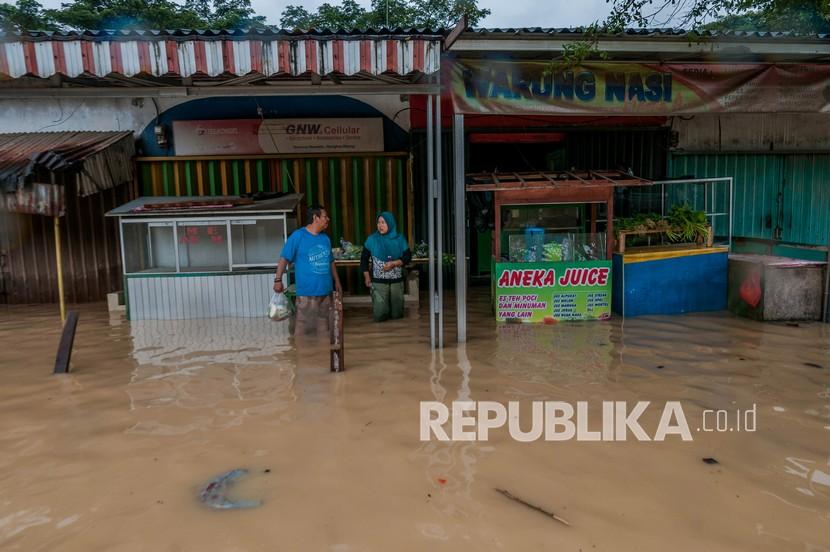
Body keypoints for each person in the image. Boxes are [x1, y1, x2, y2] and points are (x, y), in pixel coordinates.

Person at [274, 204, 342, 338]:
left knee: (324, 326)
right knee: (302, 326)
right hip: (306, 293)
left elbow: (330, 261)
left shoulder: (325, 239)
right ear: (315, 218)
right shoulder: (298, 236)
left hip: (325, 292)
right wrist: (278, 280)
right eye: (325, 216)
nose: (327, 219)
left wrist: (337, 282)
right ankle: (300, 356)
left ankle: (321, 355)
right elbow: (284, 259)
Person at [361, 211, 412, 322]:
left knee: (397, 315)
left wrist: (394, 263)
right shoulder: (372, 239)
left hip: (396, 281)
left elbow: (408, 256)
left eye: (383, 222)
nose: (380, 225)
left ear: (390, 223)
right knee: (380, 316)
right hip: (378, 281)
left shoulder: (399, 239)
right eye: (378, 222)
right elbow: (364, 258)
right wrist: (366, 276)